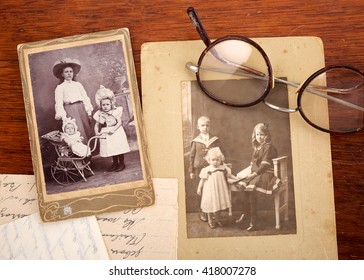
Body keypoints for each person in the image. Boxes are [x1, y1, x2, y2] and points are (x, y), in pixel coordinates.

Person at [236, 123, 281, 231]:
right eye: (257, 135)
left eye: (262, 134)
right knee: (245, 186)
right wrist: (245, 173)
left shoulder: (268, 147)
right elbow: (253, 164)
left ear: (267, 135)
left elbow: (264, 165)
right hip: (257, 172)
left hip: (267, 173)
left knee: (251, 188)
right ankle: (246, 214)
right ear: (254, 135)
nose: (259, 137)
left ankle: (253, 220)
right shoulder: (257, 147)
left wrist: (254, 174)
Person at [189, 116, 225, 222]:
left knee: (212, 191)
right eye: (202, 125)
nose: (205, 127)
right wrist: (191, 171)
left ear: (210, 126)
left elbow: (221, 153)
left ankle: (214, 212)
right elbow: (191, 157)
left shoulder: (215, 140)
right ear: (198, 127)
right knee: (200, 191)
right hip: (199, 169)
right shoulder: (195, 141)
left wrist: (221, 165)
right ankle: (202, 211)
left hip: (213, 169)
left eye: (207, 125)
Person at [53, 58, 94, 142]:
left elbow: (85, 97)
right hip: (70, 109)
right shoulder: (60, 87)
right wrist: (64, 117)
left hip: (81, 108)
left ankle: (91, 149)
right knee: (76, 129)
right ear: (62, 74)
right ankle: (81, 151)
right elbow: (59, 103)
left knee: (86, 127)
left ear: (73, 73)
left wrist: (88, 111)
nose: (69, 74)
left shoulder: (78, 85)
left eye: (71, 71)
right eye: (66, 72)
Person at [197, 147, 238, 229]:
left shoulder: (223, 168)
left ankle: (218, 219)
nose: (215, 162)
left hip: (220, 190)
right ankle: (210, 220)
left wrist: (237, 178)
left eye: (217, 160)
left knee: (218, 204)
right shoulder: (207, 169)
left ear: (221, 159)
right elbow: (202, 180)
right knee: (210, 204)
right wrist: (199, 188)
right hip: (210, 190)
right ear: (209, 160)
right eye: (213, 160)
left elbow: (230, 175)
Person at [93, 85, 130, 172]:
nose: (105, 106)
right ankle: (115, 163)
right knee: (111, 148)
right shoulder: (100, 113)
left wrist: (113, 130)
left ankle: (121, 163)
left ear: (111, 104)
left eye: (107, 104)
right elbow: (97, 125)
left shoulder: (115, 111)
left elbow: (119, 122)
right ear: (101, 105)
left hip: (116, 131)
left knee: (118, 147)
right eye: (103, 105)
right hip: (106, 131)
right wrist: (96, 132)